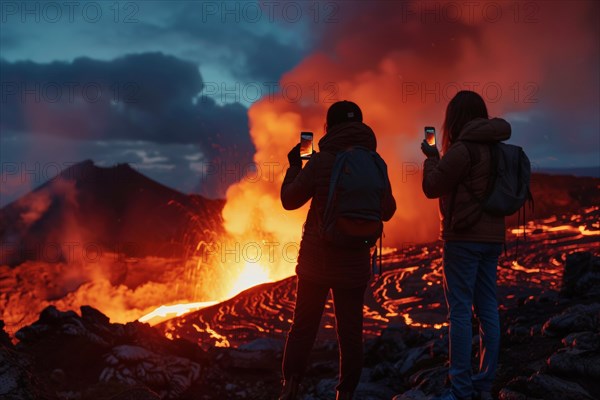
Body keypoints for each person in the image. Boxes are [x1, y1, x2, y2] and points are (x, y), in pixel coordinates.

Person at [279, 101, 396, 400]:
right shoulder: (375, 162)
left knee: (304, 327)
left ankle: (290, 388)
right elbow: (388, 211)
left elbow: (290, 200)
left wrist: (295, 166)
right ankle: (346, 394)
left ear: (328, 128)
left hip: (316, 263)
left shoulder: (320, 161)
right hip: (355, 263)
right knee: (350, 332)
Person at [420, 90, 511, 400]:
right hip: (493, 239)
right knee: (488, 310)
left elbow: (432, 188)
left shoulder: (462, 149)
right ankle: (484, 385)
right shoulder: (498, 149)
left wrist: (432, 160)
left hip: (463, 239)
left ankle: (460, 389)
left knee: (459, 312)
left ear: (454, 119)